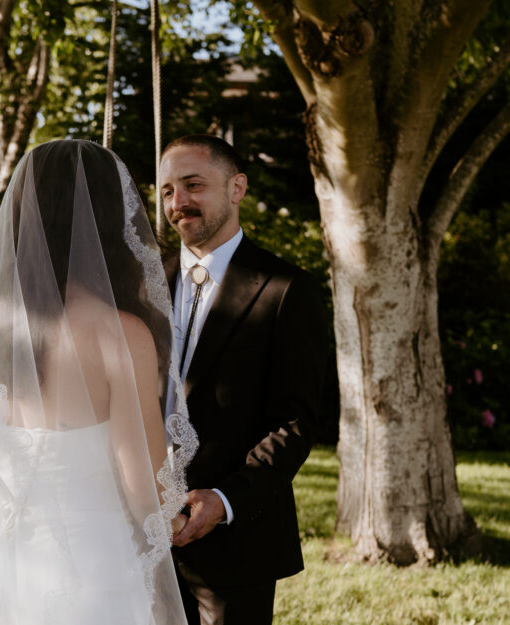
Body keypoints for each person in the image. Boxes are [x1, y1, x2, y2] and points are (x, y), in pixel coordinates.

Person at [0, 139, 196, 625]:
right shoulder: (119, 333)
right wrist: (181, 519)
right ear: (110, 221)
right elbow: (142, 483)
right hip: (92, 561)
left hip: (0, 558)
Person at [158, 134, 328, 625]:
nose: (178, 202)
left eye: (193, 184)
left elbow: (295, 423)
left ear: (237, 188)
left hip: (236, 542)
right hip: (143, 535)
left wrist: (226, 500)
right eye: (168, 190)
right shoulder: (143, 285)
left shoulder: (286, 290)